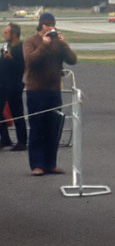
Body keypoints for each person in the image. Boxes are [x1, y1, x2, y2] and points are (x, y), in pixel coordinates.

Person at [22, 12, 76, 176]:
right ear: (40, 25)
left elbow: (72, 60)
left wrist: (63, 43)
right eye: (47, 25)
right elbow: (30, 61)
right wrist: (44, 44)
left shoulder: (57, 43)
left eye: (52, 24)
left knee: (53, 128)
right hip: (36, 91)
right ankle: (37, 165)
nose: (50, 28)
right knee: (37, 128)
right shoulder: (31, 41)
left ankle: (51, 163)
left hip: (54, 91)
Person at [0, 23, 25, 151]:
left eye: (6, 33)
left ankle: (22, 141)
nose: (4, 35)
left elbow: (22, 67)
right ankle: (4, 138)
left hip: (14, 85)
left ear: (13, 34)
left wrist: (11, 59)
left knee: (17, 113)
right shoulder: (7, 47)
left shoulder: (21, 48)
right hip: (3, 84)